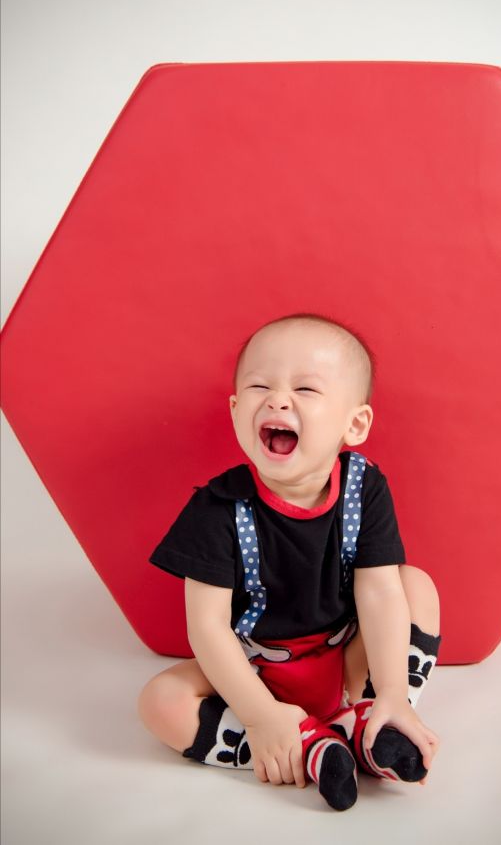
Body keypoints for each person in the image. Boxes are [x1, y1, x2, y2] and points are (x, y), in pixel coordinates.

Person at [138, 312, 442, 811]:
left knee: (416, 587)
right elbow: (208, 628)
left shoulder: (364, 487)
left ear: (354, 424)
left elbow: (380, 591)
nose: (278, 400)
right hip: (255, 667)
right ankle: (305, 744)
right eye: (260, 386)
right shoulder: (218, 507)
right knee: (160, 703)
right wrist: (259, 714)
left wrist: (391, 688)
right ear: (236, 410)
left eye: (305, 389)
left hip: (347, 659)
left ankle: (380, 716)